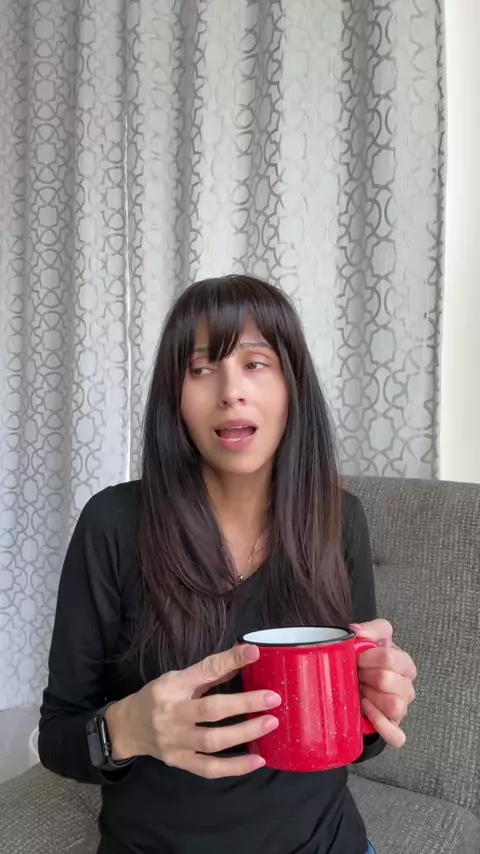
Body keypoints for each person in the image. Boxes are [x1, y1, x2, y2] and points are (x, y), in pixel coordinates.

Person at [38, 275, 417, 854]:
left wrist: (374, 703)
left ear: (292, 386)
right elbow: (58, 734)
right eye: (201, 368)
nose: (231, 391)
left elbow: (356, 736)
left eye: (256, 363)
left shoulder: (340, 520)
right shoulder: (112, 523)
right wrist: (128, 728)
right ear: (175, 397)